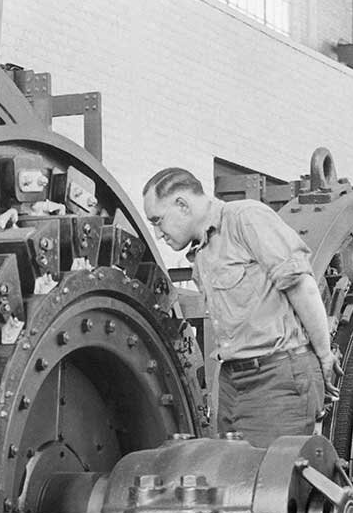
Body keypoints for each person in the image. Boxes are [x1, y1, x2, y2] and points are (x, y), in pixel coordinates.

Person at [142, 168, 335, 448]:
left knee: (267, 484)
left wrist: (325, 355)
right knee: (233, 480)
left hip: (277, 380)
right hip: (233, 380)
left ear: (182, 204)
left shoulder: (246, 219)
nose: (158, 234)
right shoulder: (203, 250)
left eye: (158, 221)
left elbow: (301, 285)